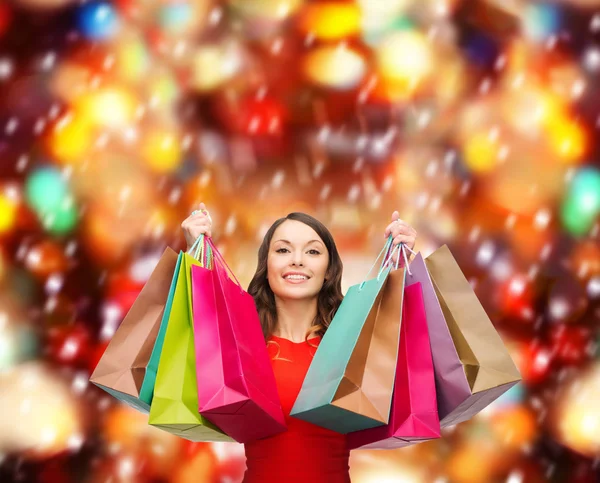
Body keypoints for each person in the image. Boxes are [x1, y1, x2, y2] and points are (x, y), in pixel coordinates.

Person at [180, 203, 418, 483]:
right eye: (283, 250)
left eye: (313, 251)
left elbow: (409, 369)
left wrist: (403, 272)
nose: (297, 260)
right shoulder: (242, 343)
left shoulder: (354, 345)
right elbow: (195, 331)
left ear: (329, 270)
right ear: (266, 266)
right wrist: (195, 251)